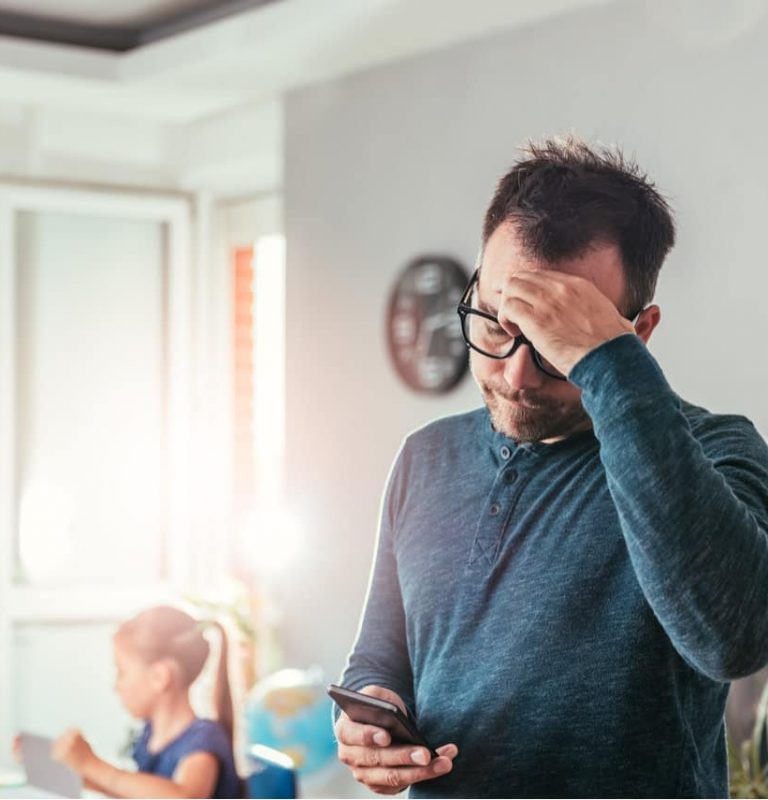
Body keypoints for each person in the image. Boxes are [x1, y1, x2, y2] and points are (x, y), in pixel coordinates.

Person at [333, 137, 768, 798]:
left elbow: (733, 642)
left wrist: (611, 365)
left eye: (553, 342)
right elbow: (382, 654)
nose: (513, 374)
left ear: (638, 332)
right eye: (497, 323)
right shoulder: (427, 456)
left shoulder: (717, 451)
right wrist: (369, 719)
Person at [50, 605, 240, 798]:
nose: (116, 686)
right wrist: (82, 776)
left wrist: (92, 765)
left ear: (159, 677)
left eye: (121, 672)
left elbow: (184, 796)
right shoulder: (150, 733)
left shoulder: (204, 738)